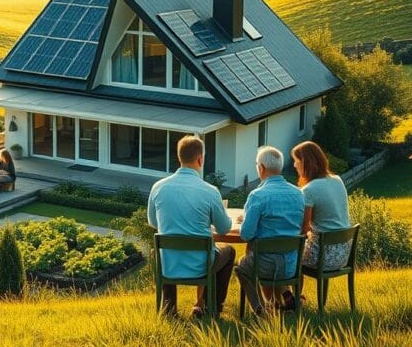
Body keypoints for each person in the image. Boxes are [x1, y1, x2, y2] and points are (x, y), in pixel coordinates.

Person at [147, 135, 235, 318]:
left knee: (162, 252)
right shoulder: (210, 192)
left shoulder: (158, 187)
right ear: (200, 159)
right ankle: (212, 308)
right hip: (201, 265)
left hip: (169, 263)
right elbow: (224, 229)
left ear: (179, 157)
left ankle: (169, 309)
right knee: (229, 252)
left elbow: (154, 223)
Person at [235, 146, 305, 315]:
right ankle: (283, 296)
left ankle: (260, 309)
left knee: (241, 268)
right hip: (291, 264)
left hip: (265, 264)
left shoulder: (258, 195)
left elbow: (246, 234)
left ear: (261, 168)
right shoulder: (299, 194)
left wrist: (248, 220)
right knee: (273, 255)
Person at [293, 141, 352, 272]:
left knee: (289, 257)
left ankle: (295, 293)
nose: (294, 165)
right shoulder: (337, 180)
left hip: (323, 256)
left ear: (305, 162)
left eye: (296, 160)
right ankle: (294, 293)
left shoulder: (309, 190)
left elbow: (304, 228)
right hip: (343, 254)